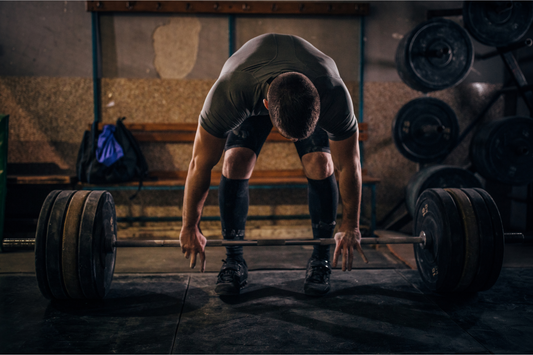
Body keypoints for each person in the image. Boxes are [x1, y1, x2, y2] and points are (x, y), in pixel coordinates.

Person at [179, 33, 367, 296]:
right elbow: (199, 164)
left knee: (322, 162)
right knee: (234, 161)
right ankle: (234, 260)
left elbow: (349, 164)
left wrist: (351, 225)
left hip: (307, 87)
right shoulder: (231, 91)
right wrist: (189, 226)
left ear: (319, 105)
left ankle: (321, 258)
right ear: (266, 106)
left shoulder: (333, 93)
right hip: (251, 88)